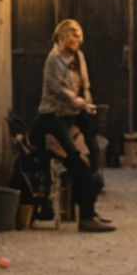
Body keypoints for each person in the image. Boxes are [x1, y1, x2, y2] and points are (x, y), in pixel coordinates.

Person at [31, 19, 114, 233]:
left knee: (93, 152)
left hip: (74, 115)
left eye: (78, 36)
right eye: (72, 35)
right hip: (52, 118)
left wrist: (86, 102)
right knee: (77, 161)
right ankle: (85, 218)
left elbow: (84, 84)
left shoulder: (78, 57)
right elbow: (57, 88)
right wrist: (74, 99)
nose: (76, 40)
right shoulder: (53, 59)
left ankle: (91, 207)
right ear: (61, 37)